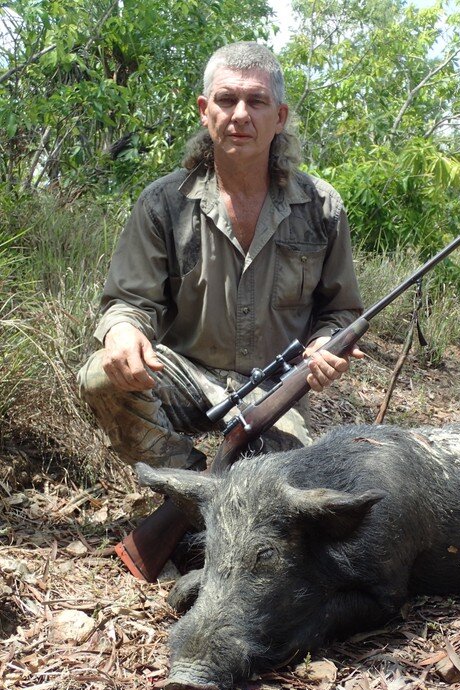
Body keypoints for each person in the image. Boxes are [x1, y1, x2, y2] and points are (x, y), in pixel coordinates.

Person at [78, 41, 364, 474]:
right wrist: (120, 330)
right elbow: (129, 302)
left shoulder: (322, 207)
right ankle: (191, 487)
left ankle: (215, 498)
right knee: (101, 374)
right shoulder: (162, 203)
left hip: (273, 388)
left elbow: (341, 311)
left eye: (257, 101)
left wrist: (327, 345)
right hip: (183, 375)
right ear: (204, 110)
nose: (240, 115)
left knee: (283, 493)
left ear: (280, 117)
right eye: (226, 100)